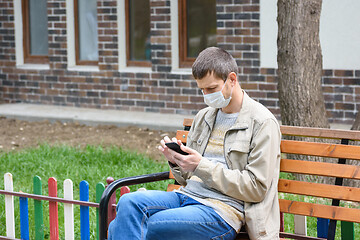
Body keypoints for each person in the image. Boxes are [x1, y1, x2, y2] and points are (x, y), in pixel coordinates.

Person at [108, 47, 281, 240]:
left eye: (211, 89)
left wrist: (202, 166)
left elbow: (256, 188)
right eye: (202, 90)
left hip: (222, 210)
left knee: (140, 226)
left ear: (232, 79)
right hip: (187, 196)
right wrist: (176, 161)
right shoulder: (204, 117)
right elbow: (186, 178)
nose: (206, 96)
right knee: (129, 203)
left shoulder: (262, 123)